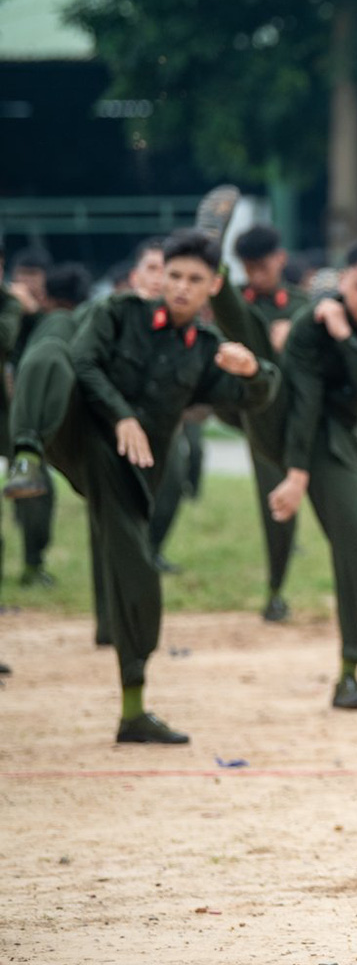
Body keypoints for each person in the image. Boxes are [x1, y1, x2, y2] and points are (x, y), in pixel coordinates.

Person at [4, 230, 278, 741]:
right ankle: (24, 458)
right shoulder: (118, 312)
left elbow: (253, 399)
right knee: (49, 355)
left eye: (194, 280)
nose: (179, 287)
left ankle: (133, 711)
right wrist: (122, 415)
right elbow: (83, 362)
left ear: (212, 286)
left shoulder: (207, 350)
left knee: (140, 583)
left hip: (127, 471)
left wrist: (255, 371)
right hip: (80, 432)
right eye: (173, 275)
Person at [263, 239, 357, 708]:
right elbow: (305, 398)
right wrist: (296, 473)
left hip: (346, 437)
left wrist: (345, 336)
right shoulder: (310, 325)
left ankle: (349, 670)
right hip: (283, 414)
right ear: (343, 281)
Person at [223, 222, 303, 622]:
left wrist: (293, 340)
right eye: (248, 266)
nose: (256, 274)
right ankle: (276, 588)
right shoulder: (236, 305)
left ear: (280, 260)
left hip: (308, 419)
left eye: (263, 265)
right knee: (274, 502)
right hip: (263, 420)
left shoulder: (302, 306)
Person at [7, 262, 90, 589]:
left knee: (35, 491)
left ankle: (31, 567)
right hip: (45, 426)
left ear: (45, 295)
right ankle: (32, 566)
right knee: (39, 492)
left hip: (20, 418)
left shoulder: (35, 321)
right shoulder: (66, 328)